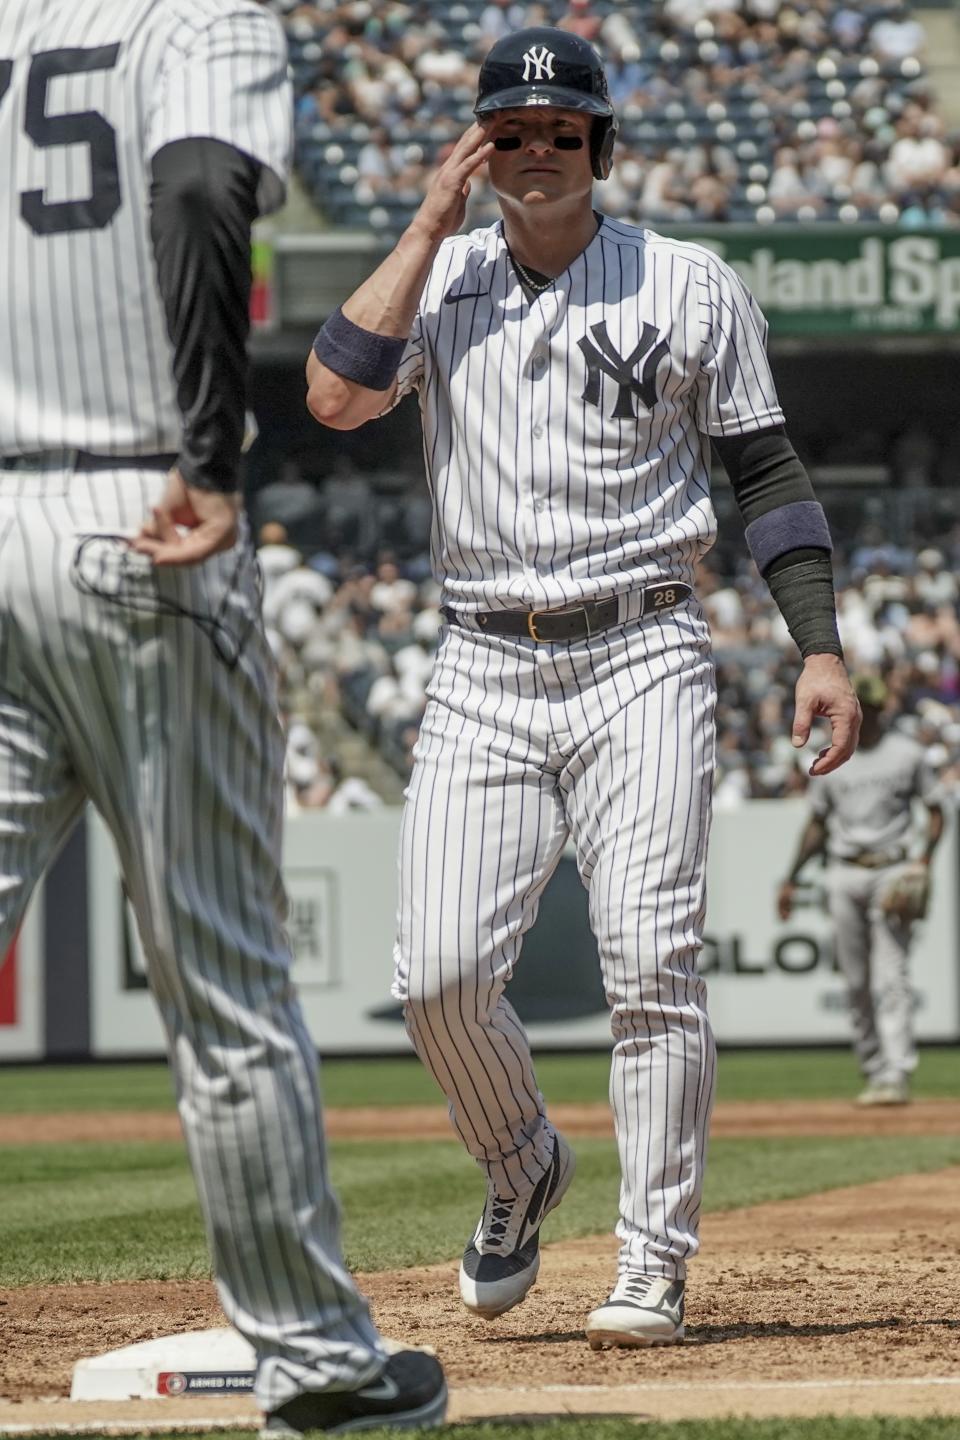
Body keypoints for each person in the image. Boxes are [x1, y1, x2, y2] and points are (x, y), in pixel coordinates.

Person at [306, 25, 860, 1350]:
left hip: (643, 645)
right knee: (437, 978)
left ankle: (652, 1263)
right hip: (485, 655)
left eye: (564, 129)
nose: (539, 150)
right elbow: (333, 397)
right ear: (478, 147)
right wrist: (428, 217)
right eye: (512, 130)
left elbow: (767, 476)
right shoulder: (440, 279)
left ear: (602, 143)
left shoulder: (687, 282)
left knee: (653, 969)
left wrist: (820, 644)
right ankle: (519, 1167)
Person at [0, 1, 445, 1432]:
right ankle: (318, 1366)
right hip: (139, 506)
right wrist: (208, 452)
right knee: (225, 980)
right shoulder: (196, 15)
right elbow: (198, 187)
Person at [778, 675, 944, 1106]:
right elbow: (817, 824)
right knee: (855, 980)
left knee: (891, 974)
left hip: (891, 868)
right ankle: (874, 1070)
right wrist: (792, 877)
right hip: (843, 871)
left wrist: (923, 859)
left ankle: (896, 1072)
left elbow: (936, 809)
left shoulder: (906, 753)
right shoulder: (834, 754)